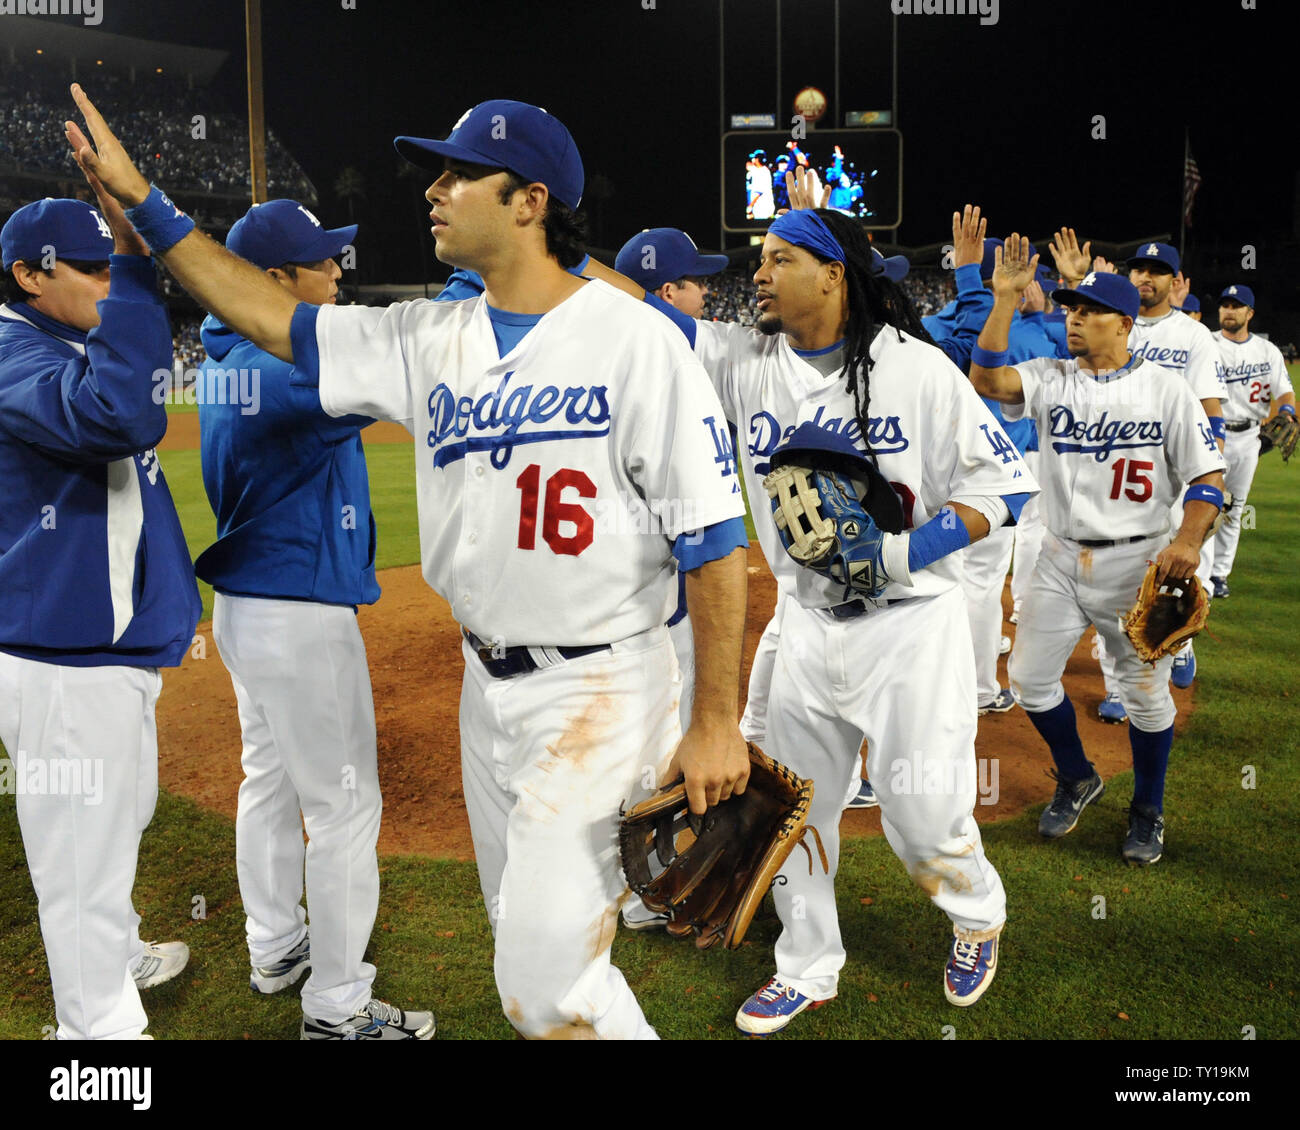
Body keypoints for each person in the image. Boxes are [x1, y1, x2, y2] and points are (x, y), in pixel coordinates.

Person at [65, 87, 751, 1040]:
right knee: (520, 932)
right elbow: (270, 318)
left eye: (461, 172)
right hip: (485, 680)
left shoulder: (636, 343)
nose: (434, 188)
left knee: (545, 981)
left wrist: (716, 720)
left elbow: (716, 547)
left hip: (599, 687)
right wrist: (148, 207)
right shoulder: (428, 336)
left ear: (530, 200)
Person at [687, 201, 1034, 1033]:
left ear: (834, 273)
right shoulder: (742, 360)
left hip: (911, 627)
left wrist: (901, 554)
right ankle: (808, 965)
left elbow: (1007, 485)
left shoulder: (915, 369)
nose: (757, 274)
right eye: (756, 259)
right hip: (806, 626)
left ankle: (976, 909)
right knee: (798, 809)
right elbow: (625, 311)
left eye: (777, 258)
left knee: (922, 817)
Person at [195, 200, 433, 1039]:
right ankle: (337, 1007)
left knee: (267, 782)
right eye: (322, 261)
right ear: (270, 280)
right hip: (299, 612)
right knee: (342, 807)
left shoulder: (224, 356)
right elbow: (408, 365)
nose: (339, 272)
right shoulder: (282, 367)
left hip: (245, 611)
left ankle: (276, 946)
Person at [0, 189, 200, 1039]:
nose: (105, 282)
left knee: (119, 826)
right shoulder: (12, 354)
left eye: (106, 263)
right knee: (80, 867)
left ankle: (115, 953)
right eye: (86, 268)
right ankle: (96, 1040)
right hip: (61, 667)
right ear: (25, 275)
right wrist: (135, 271)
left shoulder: (62, 344)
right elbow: (123, 414)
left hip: (98, 653)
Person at [970, 245, 1226, 866]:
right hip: (1058, 556)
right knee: (1029, 681)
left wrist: (1188, 541)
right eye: (1070, 309)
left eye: (1089, 310)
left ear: (1125, 324)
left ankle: (1148, 808)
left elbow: (1209, 480)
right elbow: (986, 378)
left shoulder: (1165, 391)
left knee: (1144, 696)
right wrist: (1004, 299)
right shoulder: (1051, 377)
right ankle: (1078, 775)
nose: (1073, 319)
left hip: (1136, 564)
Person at [1052, 237, 1224, 699]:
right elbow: (1083, 332)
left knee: (1171, 573)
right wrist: (1076, 281)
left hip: (1172, 462)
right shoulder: (1112, 319)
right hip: (1116, 458)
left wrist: (1208, 465)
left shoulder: (1192, 335)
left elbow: (1209, 407)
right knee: (1128, 585)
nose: (1145, 277)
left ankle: (1173, 651)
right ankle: (1118, 686)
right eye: (1138, 269)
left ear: (1175, 281)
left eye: (1156, 270)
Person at [1210, 284, 1295, 596]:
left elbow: (1285, 390)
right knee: (1201, 505)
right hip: (1209, 433)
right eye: (1225, 305)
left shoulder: (1267, 351)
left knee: (1234, 510)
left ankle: (1219, 575)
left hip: (1248, 437)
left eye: (1236, 306)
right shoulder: (1206, 342)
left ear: (1250, 313)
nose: (1229, 311)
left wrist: (1286, 409)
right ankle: (1194, 571)